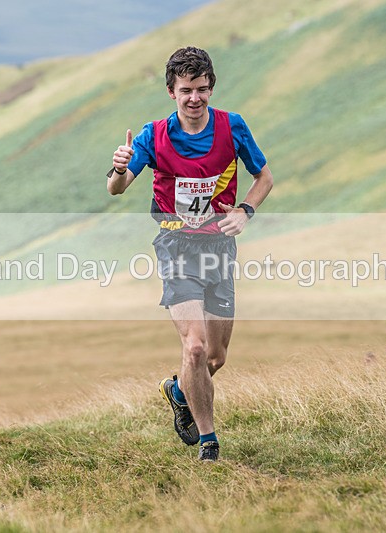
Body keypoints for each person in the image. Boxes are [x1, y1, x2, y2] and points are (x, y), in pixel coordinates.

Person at [106, 47, 273, 461]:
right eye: (186, 90)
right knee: (194, 347)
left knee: (214, 356)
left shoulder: (232, 127)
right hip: (176, 246)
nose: (194, 98)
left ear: (211, 89)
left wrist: (245, 210)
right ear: (171, 92)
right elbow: (117, 187)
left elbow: (264, 177)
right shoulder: (155, 134)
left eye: (201, 89)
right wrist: (120, 165)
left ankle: (179, 389)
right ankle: (208, 442)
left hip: (219, 248)